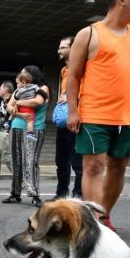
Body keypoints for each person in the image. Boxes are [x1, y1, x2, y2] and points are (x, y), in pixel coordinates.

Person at [67, 0, 130, 231]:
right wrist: (73, 111)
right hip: (94, 115)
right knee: (94, 167)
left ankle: (103, 217)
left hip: (128, 116)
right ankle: (94, 224)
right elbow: (73, 76)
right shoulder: (89, 34)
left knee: (118, 168)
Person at [3, 65, 49, 206]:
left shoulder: (43, 88)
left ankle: (34, 195)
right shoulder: (18, 89)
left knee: (30, 161)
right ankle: (15, 194)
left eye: (24, 73)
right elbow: (9, 108)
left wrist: (17, 102)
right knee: (16, 161)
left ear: (31, 75)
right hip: (16, 127)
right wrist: (20, 113)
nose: (21, 75)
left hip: (34, 128)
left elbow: (36, 102)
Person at [48, 36, 83, 201]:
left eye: (63, 47)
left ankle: (78, 194)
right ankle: (61, 193)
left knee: (77, 162)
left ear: (73, 48)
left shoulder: (83, 68)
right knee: (61, 160)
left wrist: (70, 98)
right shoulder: (64, 70)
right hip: (63, 121)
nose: (59, 50)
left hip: (76, 120)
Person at [5, 72, 38, 141]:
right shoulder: (34, 87)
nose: (16, 85)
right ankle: (30, 133)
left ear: (23, 82)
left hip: (19, 108)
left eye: (17, 83)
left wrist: (16, 103)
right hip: (28, 108)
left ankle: (8, 122)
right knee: (30, 120)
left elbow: (14, 100)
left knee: (13, 111)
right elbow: (40, 94)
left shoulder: (19, 91)